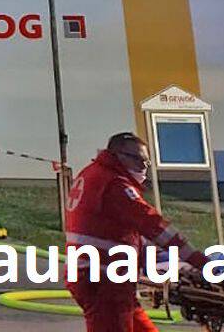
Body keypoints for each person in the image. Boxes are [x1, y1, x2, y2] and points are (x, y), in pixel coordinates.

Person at [64, 132, 193, 332]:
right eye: (138, 160)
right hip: (103, 280)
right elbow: (153, 224)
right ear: (118, 155)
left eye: (147, 162)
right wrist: (198, 260)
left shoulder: (92, 174)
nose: (143, 167)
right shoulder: (114, 184)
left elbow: (120, 231)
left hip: (101, 276)